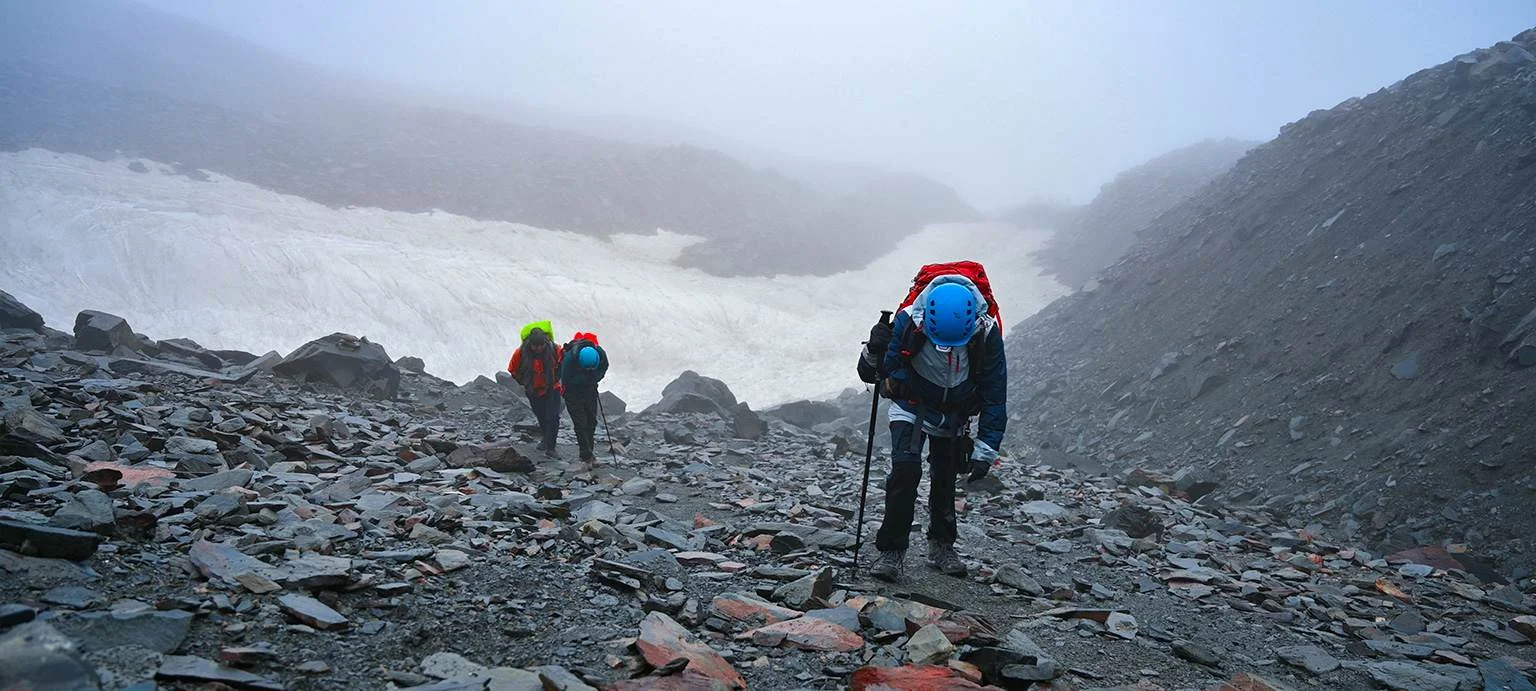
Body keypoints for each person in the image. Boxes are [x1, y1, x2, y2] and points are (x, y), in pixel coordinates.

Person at [857, 275, 1007, 581]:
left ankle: (942, 546)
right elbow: (873, 373)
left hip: (955, 413)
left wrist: (986, 449)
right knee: (905, 472)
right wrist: (873, 349)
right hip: (911, 404)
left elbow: (995, 390)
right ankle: (891, 551)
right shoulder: (908, 320)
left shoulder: (985, 330)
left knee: (945, 478)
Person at [508, 326, 563, 458]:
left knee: (553, 417)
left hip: (552, 387)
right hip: (533, 390)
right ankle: (546, 438)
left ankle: (551, 447)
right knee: (541, 415)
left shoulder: (555, 350)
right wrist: (524, 382)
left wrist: (557, 377)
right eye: (535, 346)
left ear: (545, 342)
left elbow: (563, 363)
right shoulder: (520, 353)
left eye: (541, 345)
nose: (538, 348)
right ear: (530, 343)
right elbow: (513, 370)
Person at [560, 331, 609, 468]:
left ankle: (589, 452)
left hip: (590, 389)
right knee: (580, 423)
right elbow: (566, 381)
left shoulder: (600, 354)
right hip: (572, 393)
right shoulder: (569, 359)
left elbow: (604, 368)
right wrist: (584, 378)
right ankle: (586, 456)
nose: (589, 369)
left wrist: (595, 376)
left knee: (591, 421)